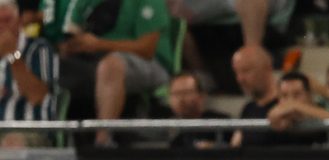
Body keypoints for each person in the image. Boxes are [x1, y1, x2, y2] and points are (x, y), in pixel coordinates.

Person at [58, 0, 173, 146]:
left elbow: (147, 49)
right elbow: (72, 32)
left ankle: (103, 141)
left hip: (149, 63)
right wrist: (72, 45)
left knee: (111, 65)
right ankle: (51, 137)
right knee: (53, 65)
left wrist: (99, 45)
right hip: (94, 59)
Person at [0, 0, 57, 138]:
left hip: (30, 130)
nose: (2, 26)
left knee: (13, 141)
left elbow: (38, 96)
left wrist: (13, 55)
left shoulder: (39, 48)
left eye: (7, 20)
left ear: (20, 21)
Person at [166, 71, 230, 149]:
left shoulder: (221, 124)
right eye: (176, 93)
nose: (181, 99)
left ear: (201, 96)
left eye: (186, 92)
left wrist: (214, 147)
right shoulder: (164, 127)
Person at [229, 45, 277, 147]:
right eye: (236, 72)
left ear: (267, 68)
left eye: (246, 70)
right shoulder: (248, 108)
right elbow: (234, 147)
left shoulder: (285, 104)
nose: (240, 79)